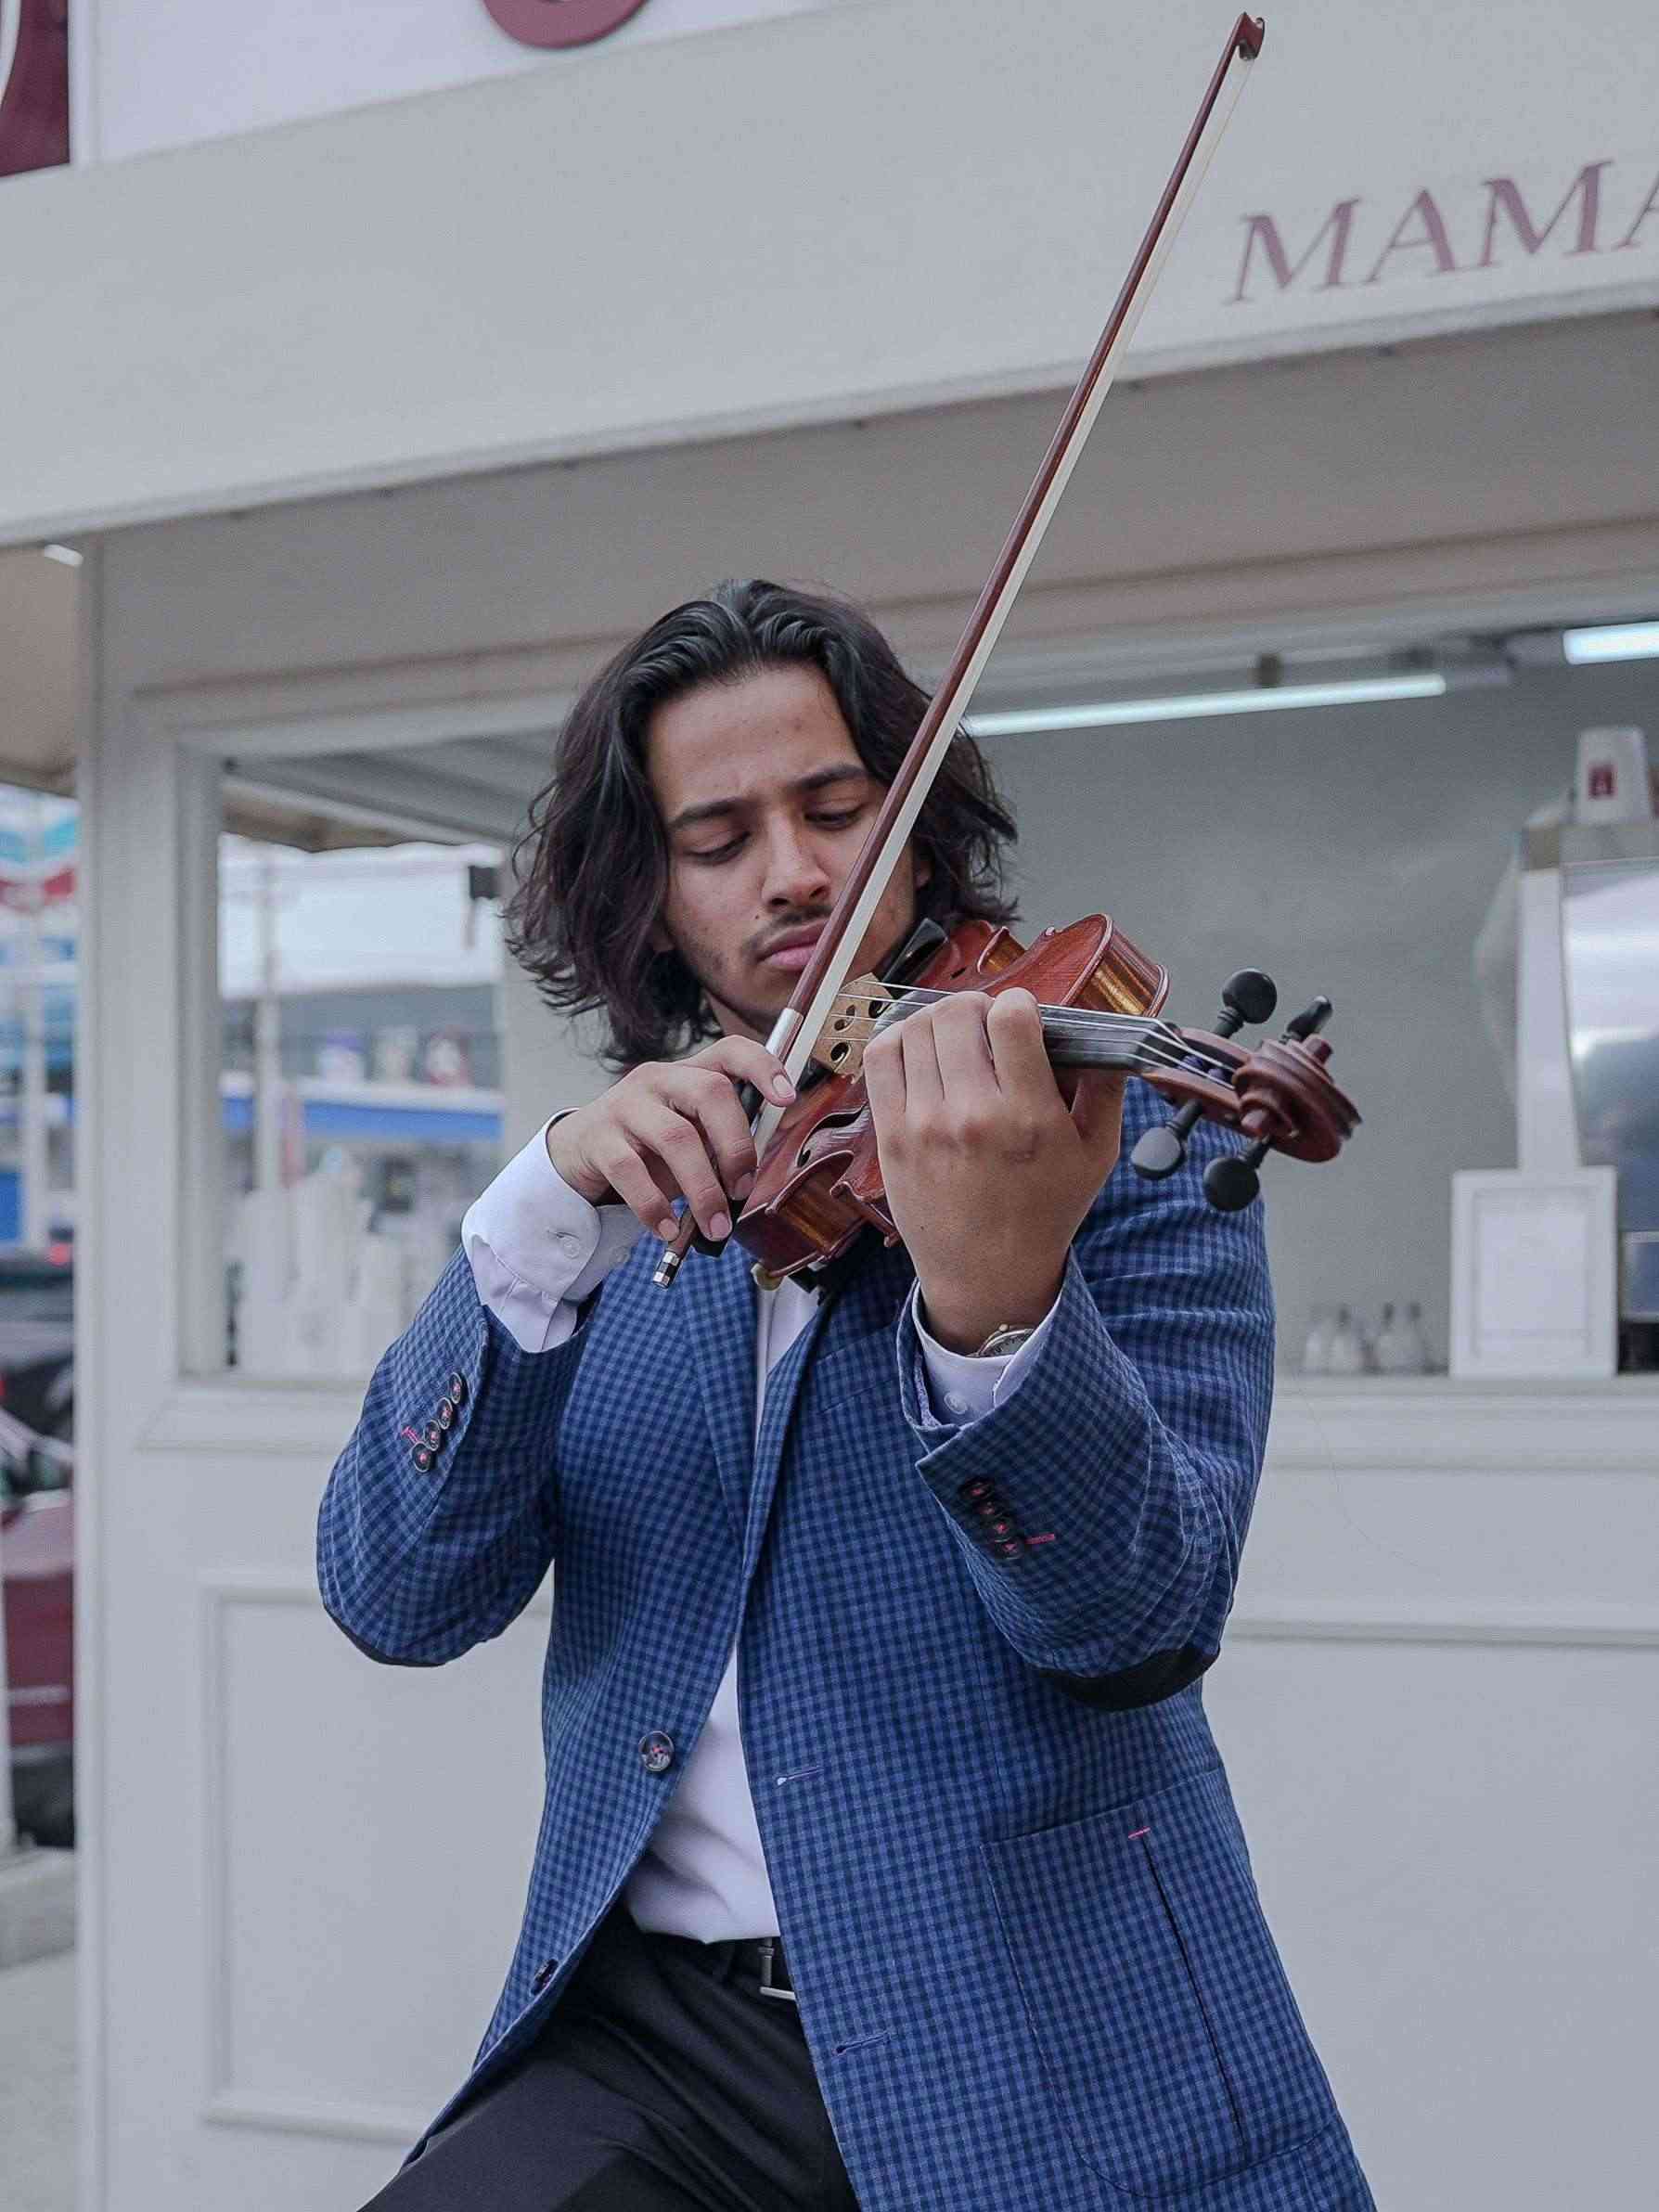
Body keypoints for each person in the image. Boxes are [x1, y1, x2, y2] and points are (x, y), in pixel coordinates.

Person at [317, 580, 1375, 2210]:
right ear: (649, 897)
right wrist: (526, 1229)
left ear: (917, 834)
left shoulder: (1125, 1156)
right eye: (718, 837)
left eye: (834, 810)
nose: (795, 872)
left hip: (1035, 2025)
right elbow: (397, 1599)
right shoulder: (623, 1206)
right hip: (655, 2041)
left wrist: (998, 1298)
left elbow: (1139, 1626)